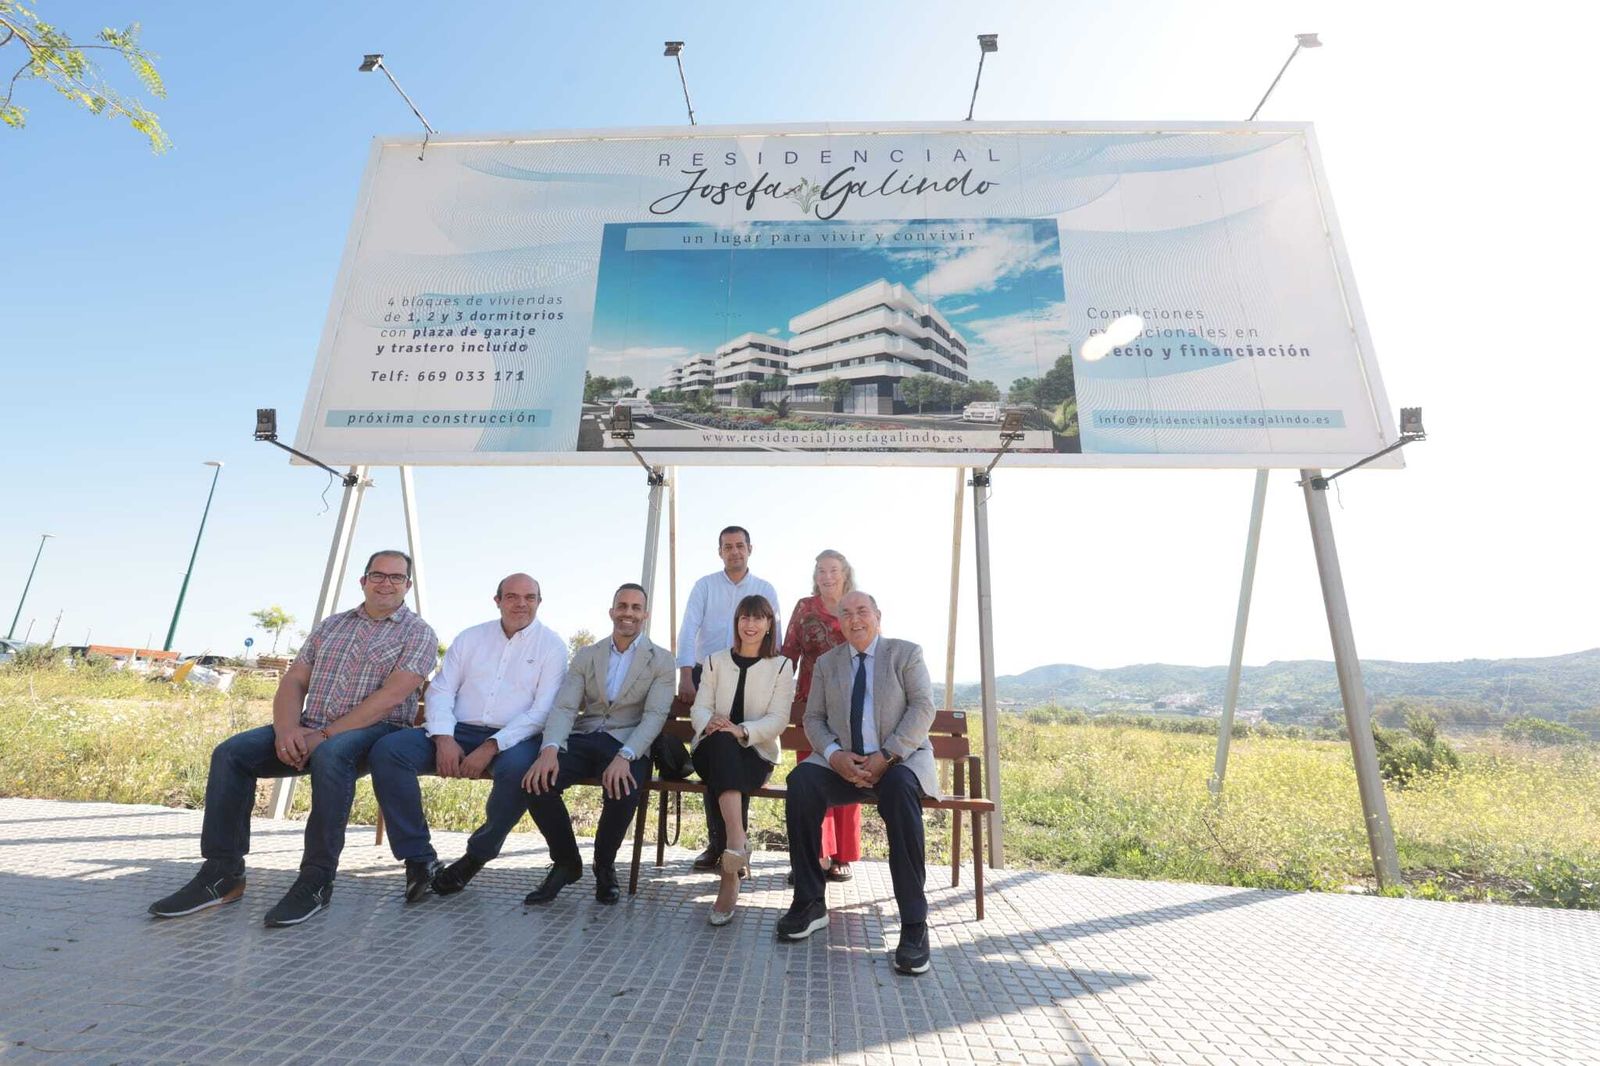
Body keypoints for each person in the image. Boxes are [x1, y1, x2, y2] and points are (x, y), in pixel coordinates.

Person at [148, 550, 438, 927]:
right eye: (378, 575)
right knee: (232, 753)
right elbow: (295, 679)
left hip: (375, 732)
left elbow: (393, 696)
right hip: (308, 726)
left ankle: (316, 880)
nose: (386, 583)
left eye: (396, 577)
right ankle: (222, 874)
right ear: (363, 581)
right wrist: (286, 730)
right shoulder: (331, 625)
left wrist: (326, 735)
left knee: (331, 756)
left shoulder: (418, 633)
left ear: (407, 586)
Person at [367, 573, 567, 902]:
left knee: (520, 773)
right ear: (497, 600)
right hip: (458, 730)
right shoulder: (471, 638)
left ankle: (476, 857)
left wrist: (491, 746)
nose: (521, 604)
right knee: (389, 751)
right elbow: (442, 689)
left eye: (529, 597)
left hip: (515, 737)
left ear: (539, 603)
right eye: (513, 596)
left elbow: (542, 711)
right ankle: (419, 858)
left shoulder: (552, 646)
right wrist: (444, 737)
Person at [776, 591, 939, 976]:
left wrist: (888, 755)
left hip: (897, 761)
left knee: (900, 793)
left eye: (862, 611)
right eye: (845, 613)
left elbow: (923, 708)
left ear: (878, 617)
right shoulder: (829, 664)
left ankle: (914, 924)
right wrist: (834, 755)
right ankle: (809, 901)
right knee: (801, 782)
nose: (854, 619)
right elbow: (813, 718)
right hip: (843, 764)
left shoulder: (905, 654)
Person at [521, 582, 674, 905]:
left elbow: (655, 715)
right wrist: (549, 750)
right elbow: (564, 707)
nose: (627, 613)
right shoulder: (588, 655)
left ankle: (604, 866)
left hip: (627, 740)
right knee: (535, 781)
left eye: (635, 608)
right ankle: (566, 862)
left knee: (624, 786)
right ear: (611, 611)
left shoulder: (661, 660)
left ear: (645, 614)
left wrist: (626, 755)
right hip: (586, 735)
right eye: (622, 606)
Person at [676, 525, 782, 872]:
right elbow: (689, 625)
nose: (734, 551)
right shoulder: (705, 586)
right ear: (719, 551)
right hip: (713, 677)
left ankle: (729, 844)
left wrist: (772, 668)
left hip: (755, 682)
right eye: (727, 546)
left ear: (750, 549)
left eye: (740, 546)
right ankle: (722, 844)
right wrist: (685, 672)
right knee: (718, 741)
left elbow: (776, 633)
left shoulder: (764, 589)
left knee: (735, 748)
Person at [689, 594, 796, 925]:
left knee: (727, 752)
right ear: (736, 623)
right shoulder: (714, 661)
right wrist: (711, 723)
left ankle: (731, 862)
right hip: (711, 748)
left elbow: (778, 720)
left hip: (755, 754)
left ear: (768, 626)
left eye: (758, 618)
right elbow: (700, 707)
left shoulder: (781, 666)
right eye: (744, 618)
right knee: (721, 745)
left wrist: (740, 730)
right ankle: (736, 845)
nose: (750, 625)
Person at [780, 549, 862, 883]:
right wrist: (780, 694)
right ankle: (812, 854)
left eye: (833, 570)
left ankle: (841, 855)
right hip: (810, 703)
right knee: (811, 777)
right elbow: (788, 652)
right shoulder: (805, 608)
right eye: (821, 571)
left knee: (848, 773)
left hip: (850, 702)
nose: (827, 576)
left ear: (845, 573)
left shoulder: (855, 606)